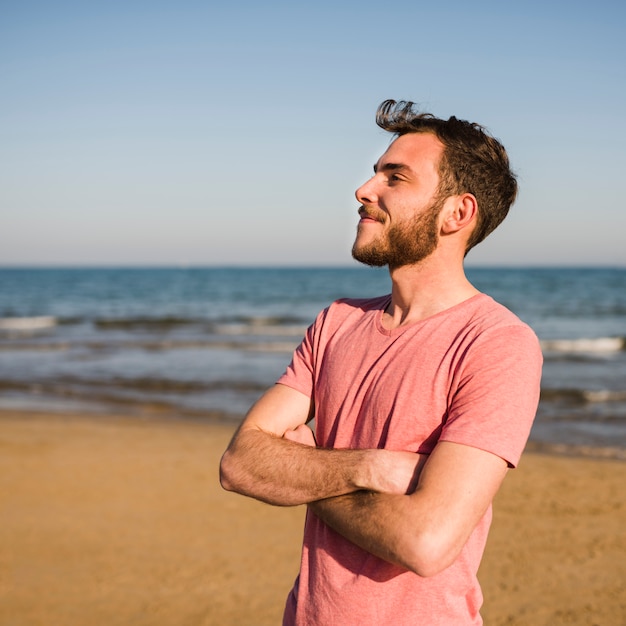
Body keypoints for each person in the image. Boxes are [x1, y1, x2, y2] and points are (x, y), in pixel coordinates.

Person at [220, 99, 543, 625]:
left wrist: (306, 470)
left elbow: (425, 541)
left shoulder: (497, 343)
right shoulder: (336, 323)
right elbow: (239, 464)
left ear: (456, 213)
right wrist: (372, 468)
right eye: (376, 174)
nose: (364, 190)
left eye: (395, 177)